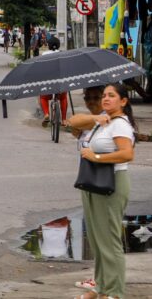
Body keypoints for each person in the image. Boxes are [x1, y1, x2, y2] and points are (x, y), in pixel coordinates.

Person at [68, 83, 136, 299]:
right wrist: (96, 118)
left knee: (109, 240)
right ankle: (100, 287)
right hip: (92, 182)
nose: (105, 99)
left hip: (111, 182)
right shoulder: (103, 121)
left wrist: (96, 157)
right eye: (104, 96)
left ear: (123, 101)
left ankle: (115, 292)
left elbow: (127, 154)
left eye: (111, 96)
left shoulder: (120, 125)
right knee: (97, 239)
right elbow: (73, 122)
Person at [68, 86, 107, 295]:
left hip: (103, 181)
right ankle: (98, 278)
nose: (92, 102)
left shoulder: (107, 118)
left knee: (103, 236)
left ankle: (105, 284)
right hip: (88, 179)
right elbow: (75, 126)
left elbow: (75, 121)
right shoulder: (93, 119)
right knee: (94, 234)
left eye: (96, 98)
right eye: (88, 98)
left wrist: (82, 123)